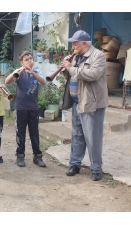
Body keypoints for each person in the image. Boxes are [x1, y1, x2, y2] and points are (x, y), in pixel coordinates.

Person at [60, 30, 108, 181]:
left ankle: (96, 169)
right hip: (76, 102)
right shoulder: (76, 57)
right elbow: (70, 75)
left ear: (85, 43)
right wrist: (65, 69)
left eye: (75, 43)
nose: (73, 45)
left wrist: (70, 68)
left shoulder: (98, 56)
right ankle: (74, 164)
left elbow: (92, 75)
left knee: (93, 138)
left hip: (91, 103)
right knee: (77, 136)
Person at [5, 51, 47, 167]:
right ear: (22, 62)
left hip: (33, 108)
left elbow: (43, 82)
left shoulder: (36, 72)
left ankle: (37, 157)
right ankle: (20, 156)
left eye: (30, 59)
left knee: (34, 133)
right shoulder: (19, 72)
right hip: (20, 108)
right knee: (20, 134)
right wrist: (17, 71)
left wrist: (32, 72)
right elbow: (7, 81)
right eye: (26, 60)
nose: (29, 61)